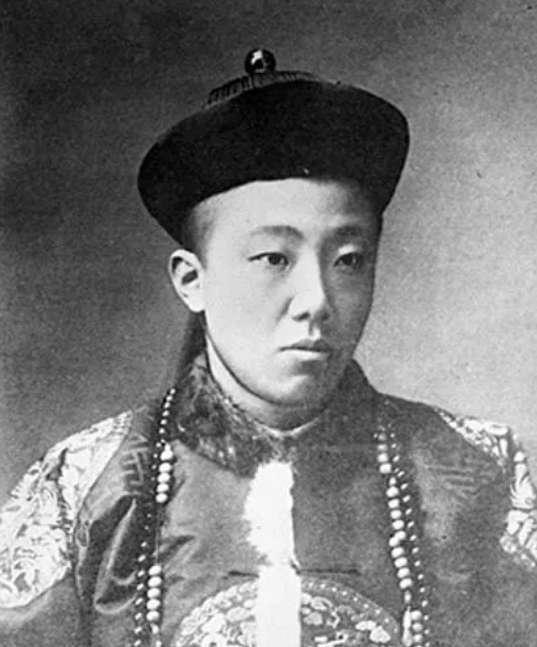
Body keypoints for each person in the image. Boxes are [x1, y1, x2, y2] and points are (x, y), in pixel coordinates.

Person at [0, 49, 536, 647]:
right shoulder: (84, 488)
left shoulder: (475, 474)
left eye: (348, 260)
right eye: (274, 258)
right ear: (192, 280)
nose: (317, 300)